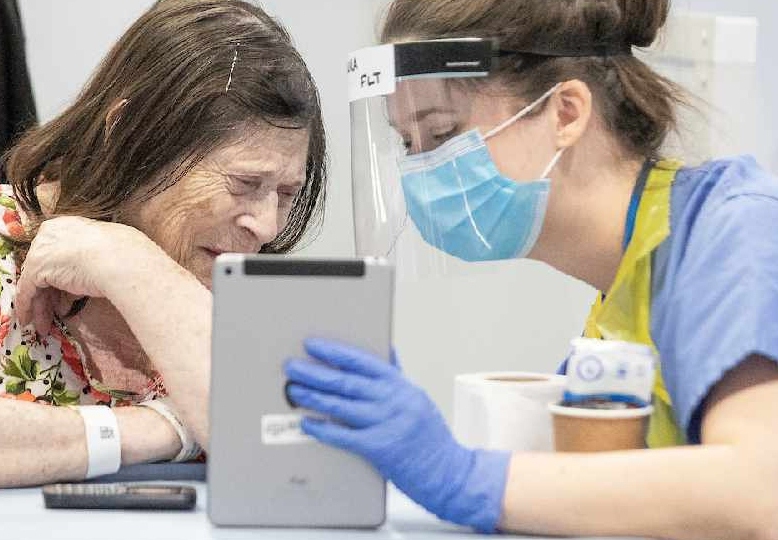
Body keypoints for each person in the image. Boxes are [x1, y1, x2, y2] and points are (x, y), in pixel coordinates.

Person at [285, 1, 778, 539]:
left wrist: (463, 476)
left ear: (566, 112)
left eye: (443, 133)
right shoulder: (624, 293)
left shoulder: (736, 230)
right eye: (408, 144)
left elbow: (758, 493)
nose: (421, 170)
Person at [0, 0, 326, 488]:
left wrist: (134, 267)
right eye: (243, 184)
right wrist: (157, 429)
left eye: (285, 194)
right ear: (129, 133)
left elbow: (296, 468)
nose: (265, 225)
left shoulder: (240, 286)